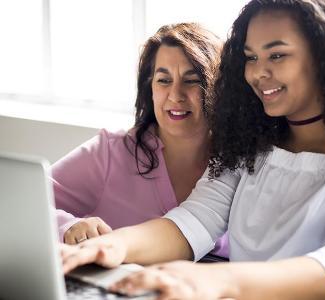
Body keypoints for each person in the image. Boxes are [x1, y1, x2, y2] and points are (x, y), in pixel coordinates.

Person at [61, 0, 325, 299]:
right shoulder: (253, 145)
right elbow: (193, 220)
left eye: (277, 55)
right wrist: (112, 246)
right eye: (251, 57)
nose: (257, 72)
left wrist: (218, 281)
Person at [54, 22, 228, 257]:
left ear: (218, 86)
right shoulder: (109, 153)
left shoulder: (241, 164)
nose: (175, 95)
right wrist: (67, 226)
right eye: (164, 80)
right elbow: (19, 201)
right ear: (150, 88)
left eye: (192, 80)